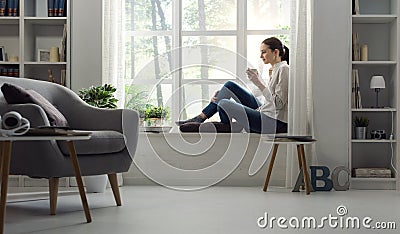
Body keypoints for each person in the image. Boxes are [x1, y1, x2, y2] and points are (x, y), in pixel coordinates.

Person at [176, 37, 289, 134]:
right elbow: (265, 95)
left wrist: (258, 82)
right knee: (229, 86)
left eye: (264, 52)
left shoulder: (284, 69)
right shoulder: (274, 69)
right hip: (265, 112)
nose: (261, 56)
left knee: (224, 103)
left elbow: (278, 104)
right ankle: (201, 117)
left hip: (273, 122)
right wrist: (220, 96)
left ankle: (226, 126)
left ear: (276, 52)